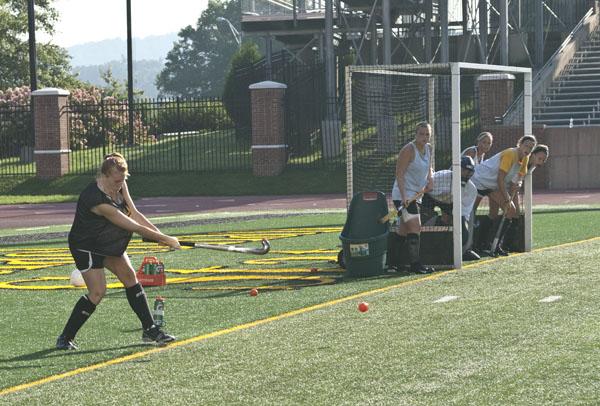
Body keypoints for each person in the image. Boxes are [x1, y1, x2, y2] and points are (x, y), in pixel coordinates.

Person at [56, 153, 181, 350]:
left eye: (123, 179)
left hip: (107, 240)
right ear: (104, 176)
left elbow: (134, 213)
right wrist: (166, 239)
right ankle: (65, 338)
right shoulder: (96, 199)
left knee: (130, 278)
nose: (120, 184)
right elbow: (132, 225)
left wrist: (160, 236)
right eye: (116, 180)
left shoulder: (120, 184)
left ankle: (151, 330)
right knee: (98, 292)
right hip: (86, 245)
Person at [470, 135, 537, 256]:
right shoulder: (510, 154)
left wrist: (519, 183)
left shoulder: (525, 158)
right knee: (470, 212)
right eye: (526, 145)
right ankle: (474, 245)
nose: (528, 149)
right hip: (479, 181)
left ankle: (492, 245)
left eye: (531, 148)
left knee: (504, 212)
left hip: (492, 186)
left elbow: (519, 177)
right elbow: (500, 178)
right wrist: (506, 198)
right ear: (520, 144)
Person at [390, 122, 435, 274]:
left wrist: (430, 179)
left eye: (427, 134)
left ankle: (392, 263)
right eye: (421, 134)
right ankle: (416, 265)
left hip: (416, 194)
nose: (424, 137)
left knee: (403, 230)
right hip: (403, 194)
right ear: (415, 134)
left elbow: (428, 167)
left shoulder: (428, 148)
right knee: (415, 226)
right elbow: (399, 174)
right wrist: (403, 197)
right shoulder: (408, 149)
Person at [421, 155, 480, 260]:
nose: (465, 173)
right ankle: (424, 247)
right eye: (463, 169)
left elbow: (463, 213)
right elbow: (424, 187)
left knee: (463, 233)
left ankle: (460, 250)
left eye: (468, 171)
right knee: (422, 221)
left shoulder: (471, 190)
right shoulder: (440, 176)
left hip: (452, 204)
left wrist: (450, 217)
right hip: (430, 198)